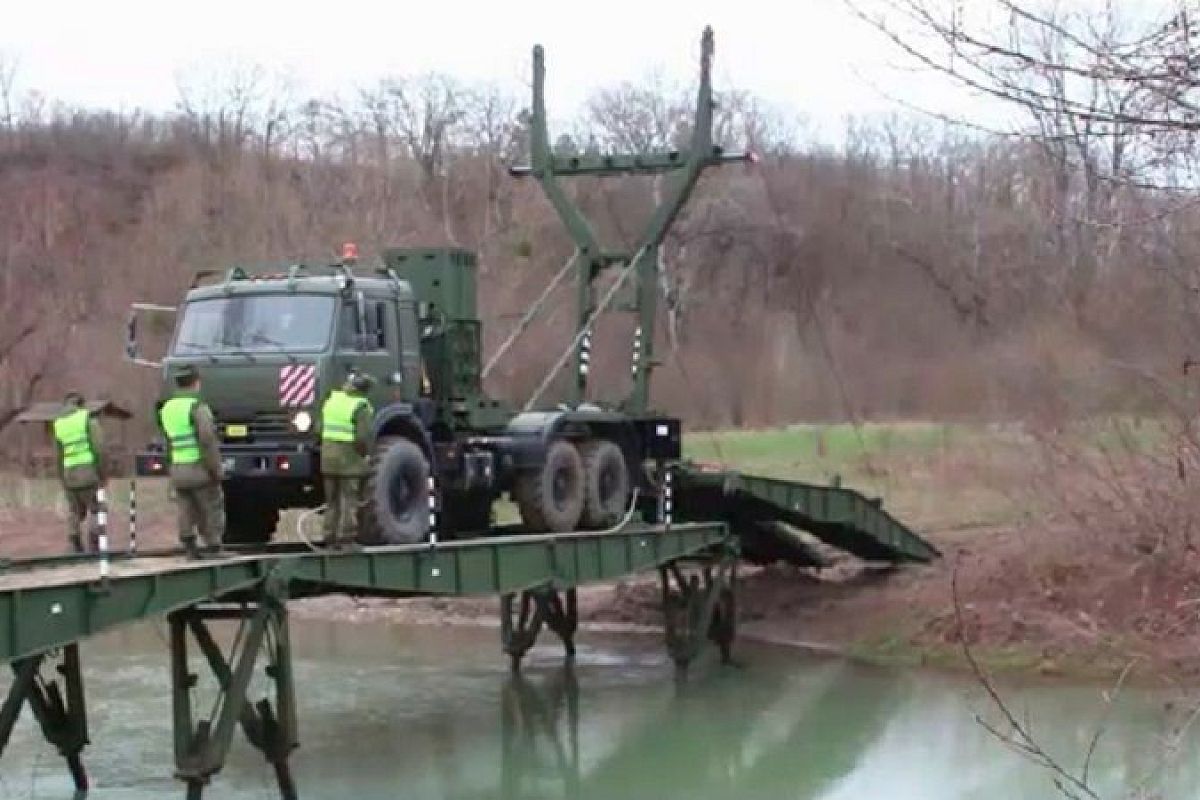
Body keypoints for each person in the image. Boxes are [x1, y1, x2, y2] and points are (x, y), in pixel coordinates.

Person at [156, 364, 226, 558]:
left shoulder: (167, 408)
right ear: (196, 382)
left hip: (178, 468)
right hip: (198, 468)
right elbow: (207, 441)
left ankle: (189, 546)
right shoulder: (197, 407)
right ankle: (214, 546)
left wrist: (170, 468)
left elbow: (168, 441)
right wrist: (216, 470)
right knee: (211, 505)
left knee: (185, 507)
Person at [318, 371, 375, 549]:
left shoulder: (332, 400)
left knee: (331, 502)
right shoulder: (361, 406)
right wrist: (365, 455)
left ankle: (329, 539)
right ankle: (346, 540)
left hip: (327, 460)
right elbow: (362, 437)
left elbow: (319, 428)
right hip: (349, 461)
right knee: (349, 501)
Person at [52, 392, 105, 553]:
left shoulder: (58, 423)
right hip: (88, 471)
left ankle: (74, 538)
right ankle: (94, 542)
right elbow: (98, 448)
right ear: (81, 404)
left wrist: (62, 477)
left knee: (74, 510)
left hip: (69, 473)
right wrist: (102, 473)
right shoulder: (87, 419)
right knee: (96, 508)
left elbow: (58, 454)